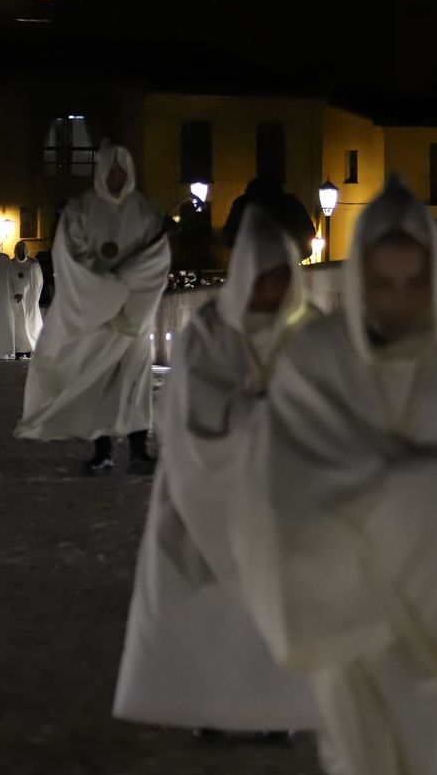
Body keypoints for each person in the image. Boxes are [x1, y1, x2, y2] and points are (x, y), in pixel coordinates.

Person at [233, 178, 437, 775]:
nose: (400, 299)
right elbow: (288, 478)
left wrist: (387, 486)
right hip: (357, 616)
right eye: (383, 283)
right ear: (359, 279)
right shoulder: (317, 359)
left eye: (415, 282)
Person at [114, 207, 317, 735]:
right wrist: (267, 414)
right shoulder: (209, 331)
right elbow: (191, 412)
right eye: (263, 276)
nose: (271, 290)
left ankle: (277, 711)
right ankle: (212, 707)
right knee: (215, 608)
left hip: (284, 496)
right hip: (209, 490)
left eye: (280, 277)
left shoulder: (311, 333)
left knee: (276, 607)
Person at [17, 143, 170, 474]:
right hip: (96, 316)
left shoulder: (144, 210)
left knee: (134, 383)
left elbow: (155, 258)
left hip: (132, 316)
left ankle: (138, 450)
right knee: (98, 382)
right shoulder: (81, 209)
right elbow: (70, 255)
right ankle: (103, 452)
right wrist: (103, 290)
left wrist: (125, 289)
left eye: (123, 169)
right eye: (112, 169)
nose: (117, 176)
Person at [222, 176, 315, 253]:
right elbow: (309, 231)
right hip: (284, 261)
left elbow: (228, 236)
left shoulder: (242, 204)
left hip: (252, 262)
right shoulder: (291, 203)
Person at [8, 240, 44, 358]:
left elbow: (38, 283)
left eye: (23, 249)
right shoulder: (11, 264)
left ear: (26, 251)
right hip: (15, 300)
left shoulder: (33, 264)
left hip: (29, 300)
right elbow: (8, 281)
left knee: (30, 323)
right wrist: (14, 294)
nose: (21, 252)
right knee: (18, 325)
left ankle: (29, 348)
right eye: (18, 249)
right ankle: (19, 349)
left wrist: (33, 298)